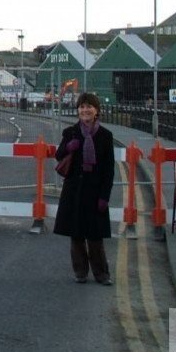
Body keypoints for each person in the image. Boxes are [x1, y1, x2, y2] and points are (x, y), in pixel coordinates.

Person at [53, 92, 116, 284]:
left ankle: (102, 274)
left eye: (89, 106)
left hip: (95, 190)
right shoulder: (70, 132)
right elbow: (58, 155)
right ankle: (80, 272)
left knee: (95, 237)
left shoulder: (105, 136)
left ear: (96, 110)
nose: (85, 110)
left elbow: (109, 169)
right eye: (82, 107)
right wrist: (68, 147)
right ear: (78, 110)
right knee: (76, 234)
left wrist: (104, 196)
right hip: (74, 190)